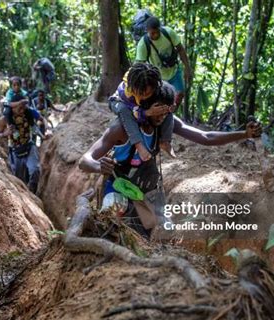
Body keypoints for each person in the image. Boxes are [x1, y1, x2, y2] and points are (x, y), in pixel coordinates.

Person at [79, 83, 262, 237]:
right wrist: (98, 166)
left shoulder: (165, 122)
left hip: (145, 190)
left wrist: (244, 134)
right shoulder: (120, 128)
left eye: (166, 112)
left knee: (142, 237)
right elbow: (84, 161)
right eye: (157, 111)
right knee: (110, 229)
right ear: (146, 108)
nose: (161, 117)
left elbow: (206, 137)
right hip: (117, 186)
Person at [109, 63, 176, 164]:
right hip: (122, 105)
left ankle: (165, 141)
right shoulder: (126, 93)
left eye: (148, 94)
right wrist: (147, 112)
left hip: (140, 106)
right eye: (142, 94)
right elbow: (133, 113)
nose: (145, 96)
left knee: (165, 107)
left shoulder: (152, 83)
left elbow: (166, 93)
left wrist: (169, 105)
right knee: (124, 112)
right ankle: (139, 146)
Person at [135, 17, 191, 107]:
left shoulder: (168, 33)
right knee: (160, 101)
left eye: (157, 32)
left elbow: (180, 49)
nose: (155, 35)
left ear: (160, 28)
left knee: (179, 94)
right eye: (152, 33)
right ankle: (163, 116)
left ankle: (171, 113)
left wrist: (187, 68)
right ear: (147, 31)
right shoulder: (143, 44)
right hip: (158, 77)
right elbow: (139, 64)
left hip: (174, 71)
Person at [0, 94, 46, 193]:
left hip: (29, 146)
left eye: (24, 107)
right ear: (13, 107)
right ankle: (24, 195)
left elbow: (42, 119)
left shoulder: (29, 113)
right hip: (15, 150)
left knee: (35, 170)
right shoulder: (4, 119)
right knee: (19, 179)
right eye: (20, 107)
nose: (23, 109)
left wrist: (46, 130)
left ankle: (32, 193)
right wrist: (5, 134)